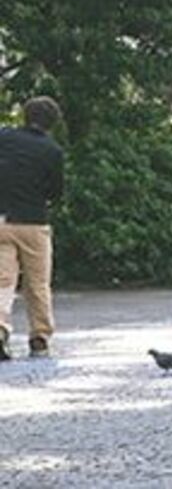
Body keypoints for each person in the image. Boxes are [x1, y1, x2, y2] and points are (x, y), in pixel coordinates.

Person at [0, 97, 65, 360]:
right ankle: (39, 337)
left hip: (2, 220)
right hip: (35, 223)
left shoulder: (3, 137)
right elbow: (55, 191)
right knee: (38, 283)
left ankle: (1, 328)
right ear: (52, 123)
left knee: (3, 281)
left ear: (24, 116)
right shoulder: (52, 150)